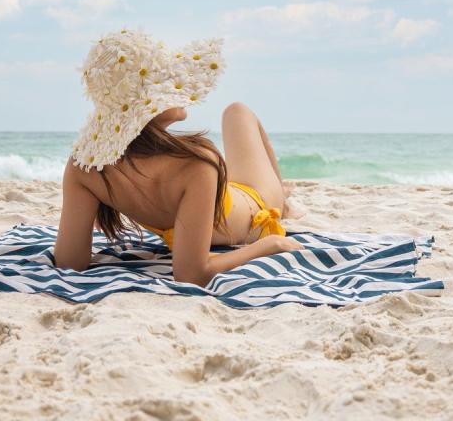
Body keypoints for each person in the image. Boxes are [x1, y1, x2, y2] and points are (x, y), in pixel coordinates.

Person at [54, 29, 304, 286]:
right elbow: (193, 274)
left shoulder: (84, 166)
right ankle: (281, 202)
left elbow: (69, 262)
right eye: (168, 81)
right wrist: (270, 245)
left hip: (229, 196)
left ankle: (284, 199)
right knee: (238, 112)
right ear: (152, 103)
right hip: (256, 206)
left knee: (236, 111)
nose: (179, 86)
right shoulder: (196, 163)